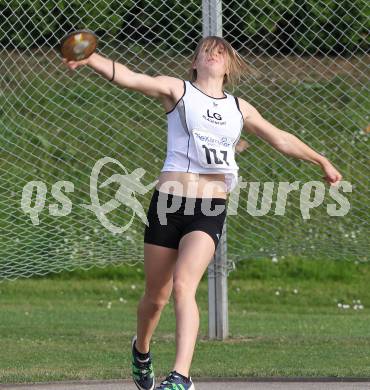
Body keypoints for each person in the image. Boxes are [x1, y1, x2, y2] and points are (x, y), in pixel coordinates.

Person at [63, 35, 342, 390]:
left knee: (184, 285)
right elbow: (131, 77)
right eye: (205, 50)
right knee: (155, 297)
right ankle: (142, 351)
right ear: (195, 63)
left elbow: (281, 138)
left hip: (209, 207)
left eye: (221, 51)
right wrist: (91, 58)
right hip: (168, 203)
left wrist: (321, 159)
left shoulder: (240, 109)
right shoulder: (177, 91)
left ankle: (180, 376)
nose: (213, 53)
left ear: (228, 66)